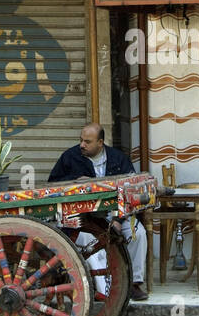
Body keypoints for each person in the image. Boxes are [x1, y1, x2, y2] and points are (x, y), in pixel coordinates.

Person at [49, 123, 152, 300]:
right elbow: (52, 184)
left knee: (138, 234)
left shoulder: (118, 159)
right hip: (82, 219)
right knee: (91, 241)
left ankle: (133, 284)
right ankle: (102, 289)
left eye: (87, 142)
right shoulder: (69, 157)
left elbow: (131, 189)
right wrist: (75, 180)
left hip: (114, 215)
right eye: (81, 140)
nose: (82, 145)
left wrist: (119, 219)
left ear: (100, 143)